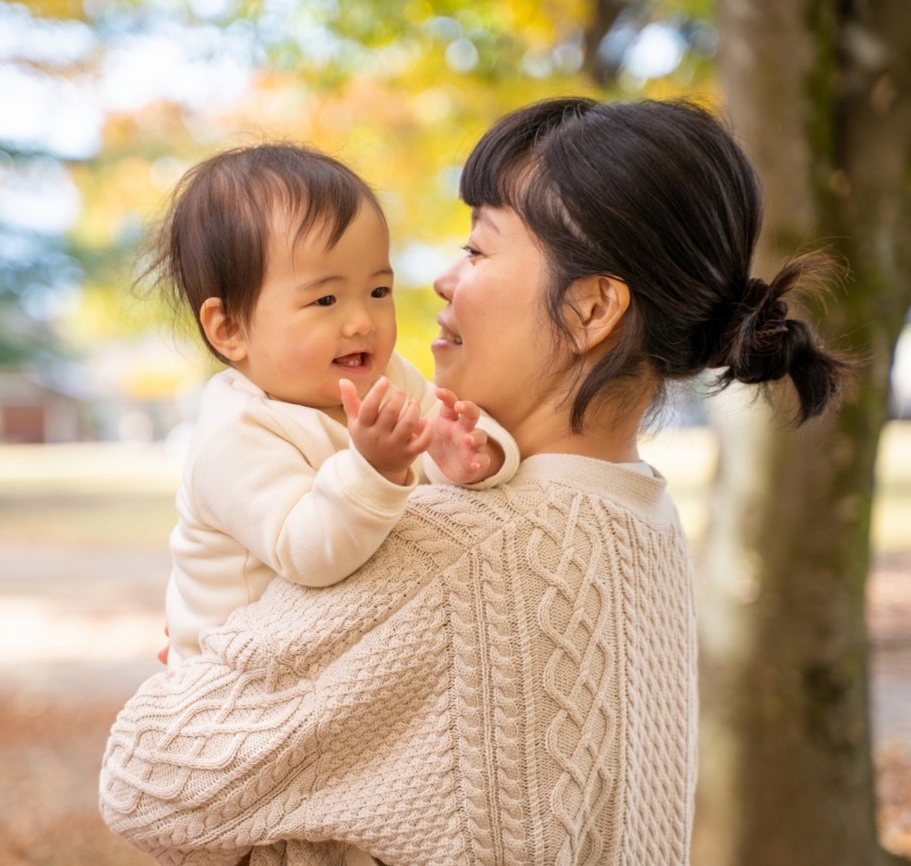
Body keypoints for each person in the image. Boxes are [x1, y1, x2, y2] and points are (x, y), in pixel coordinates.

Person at [101, 98, 849, 866]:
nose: (440, 279)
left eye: (478, 250)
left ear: (591, 309)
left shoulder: (451, 552)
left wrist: (209, 682)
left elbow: (148, 780)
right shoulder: (642, 516)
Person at [148, 144, 520, 667]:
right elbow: (309, 553)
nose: (362, 322)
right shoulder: (234, 433)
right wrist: (375, 468)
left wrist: (467, 455)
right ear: (229, 329)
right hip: (234, 682)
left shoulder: (384, 378)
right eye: (325, 300)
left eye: (378, 290)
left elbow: (441, 445)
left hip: (324, 660)